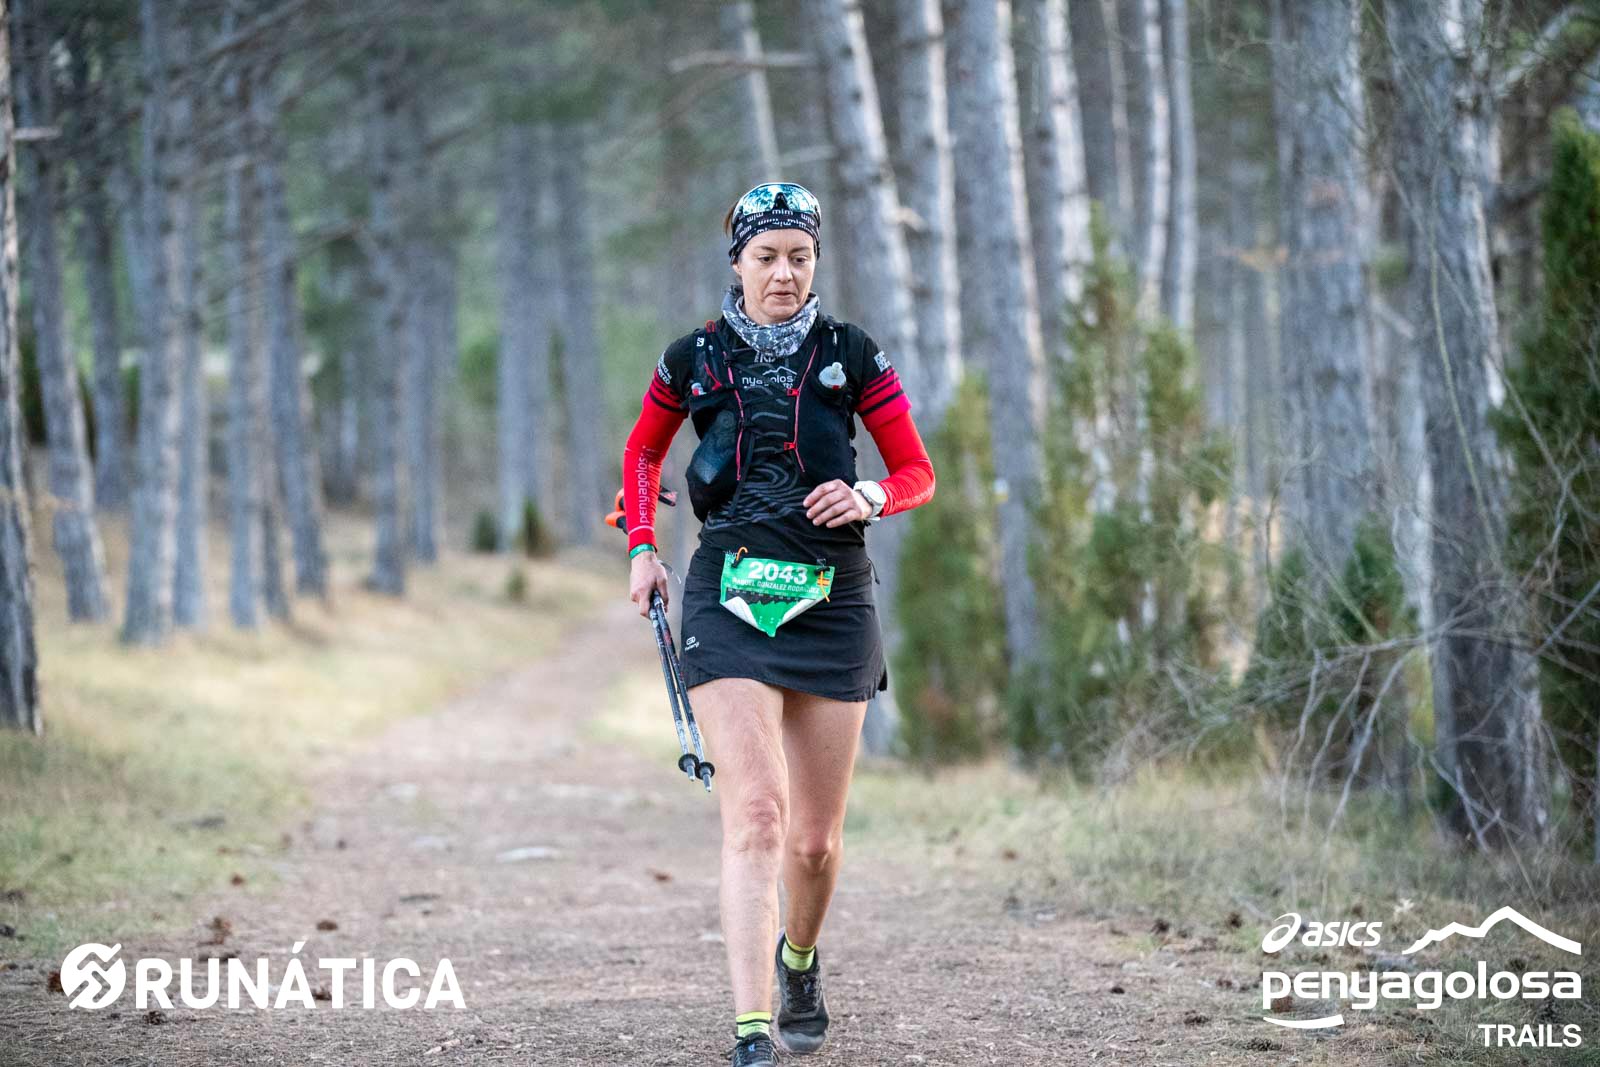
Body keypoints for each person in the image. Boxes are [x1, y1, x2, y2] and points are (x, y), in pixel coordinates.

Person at [620, 181, 937, 1066]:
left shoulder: (850, 353)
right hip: (727, 588)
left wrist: (870, 494)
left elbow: (916, 471)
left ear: (816, 260)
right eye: (767, 256)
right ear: (738, 262)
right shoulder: (693, 357)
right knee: (758, 812)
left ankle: (799, 958)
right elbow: (644, 451)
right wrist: (643, 545)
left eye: (800, 256)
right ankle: (752, 1030)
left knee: (815, 841)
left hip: (833, 596)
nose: (785, 273)